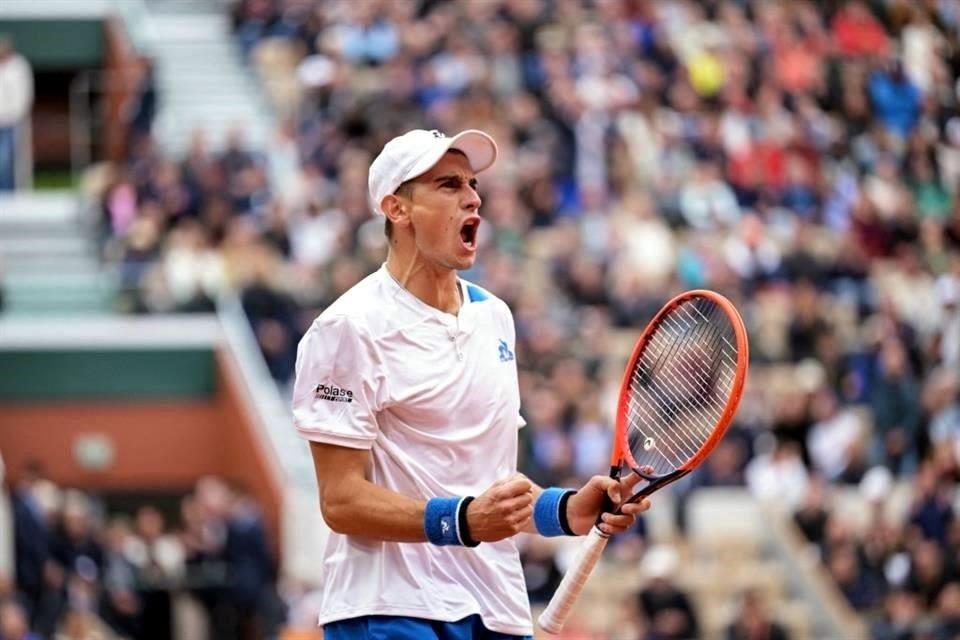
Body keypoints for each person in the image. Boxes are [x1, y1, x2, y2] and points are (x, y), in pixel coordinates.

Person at [291, 128, 649, 640]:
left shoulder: (496, 317)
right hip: (389, 612)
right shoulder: (347, 327)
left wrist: (566, 510)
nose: (473, 197)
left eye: (473, 184)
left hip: (495, 609)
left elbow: (486, 487)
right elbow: (341, 501)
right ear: (397, 209)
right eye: (448, 185)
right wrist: (462, 521)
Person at [0, 36, 33, 191]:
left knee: (7, 160)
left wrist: (16, 115)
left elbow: (24, 94)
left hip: (12, 121)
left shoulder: (19, 66)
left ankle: (7, 193)